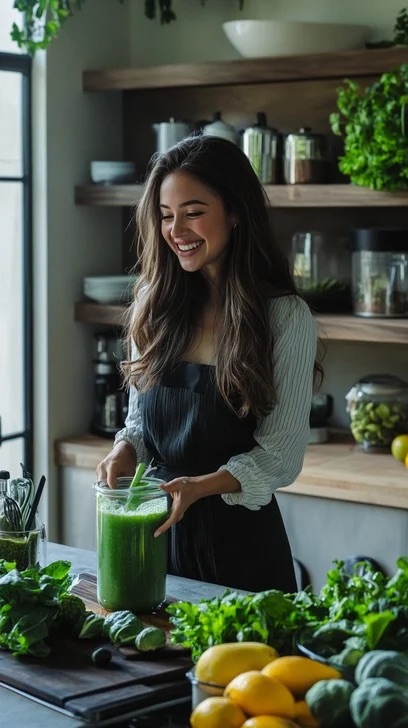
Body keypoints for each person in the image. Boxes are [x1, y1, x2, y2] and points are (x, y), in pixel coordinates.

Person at [96, 134, 320, 594]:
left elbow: (280, 455)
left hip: (241, 552)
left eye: (194, 212)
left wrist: (201, 486)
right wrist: (126, 448)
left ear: (235, 212)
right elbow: (140, 420)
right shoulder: (152, 303)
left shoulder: (284, 316)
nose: (177, 230)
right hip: (155, 539)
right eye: (166, 216)